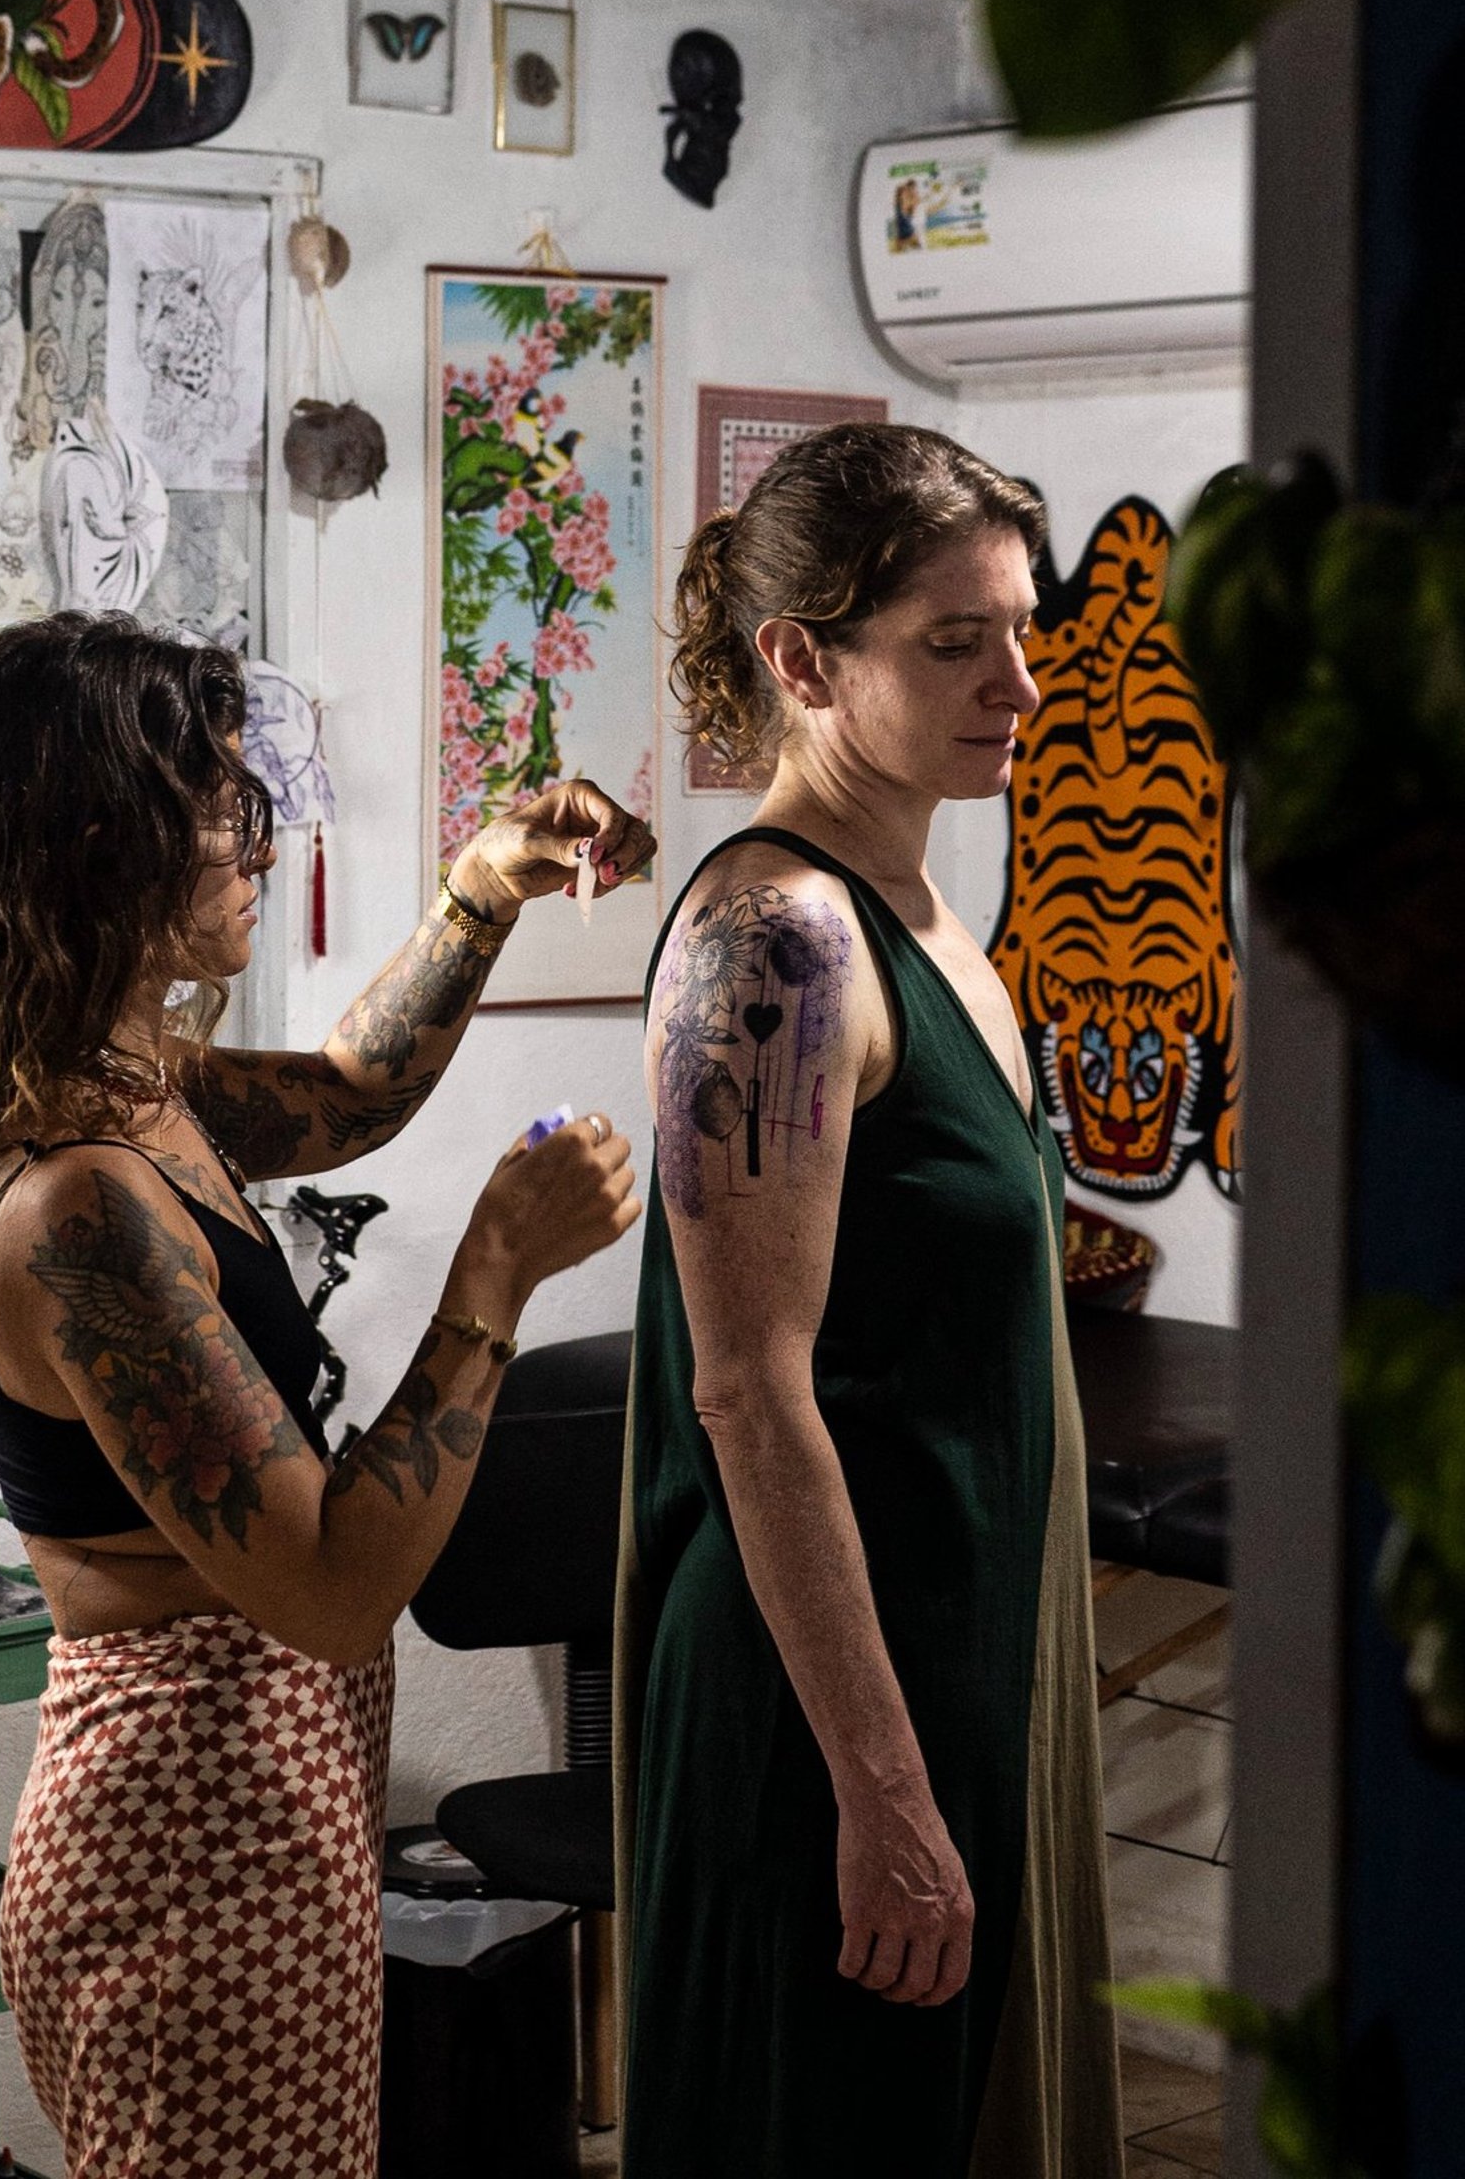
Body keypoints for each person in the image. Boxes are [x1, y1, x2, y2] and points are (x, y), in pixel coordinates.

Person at [0, 613, 652, 2179]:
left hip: (262, 1823)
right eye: (219, 802)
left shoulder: (138, 1095)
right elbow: (335, 1584)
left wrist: (484, 888)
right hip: (194, 1848)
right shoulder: (83, 1209)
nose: (256, 834)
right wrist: (495, 1269)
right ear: (97, 844)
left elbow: (348, 1091)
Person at [618, 424, 1122, 2179]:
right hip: (827, 1719)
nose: (1022, 679)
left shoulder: (929, 919)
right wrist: (883, 1794)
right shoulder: (778, 939)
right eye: (956, 638)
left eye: (1022, 625)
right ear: (802, 659)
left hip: (949, 1659)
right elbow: (749, 1393)